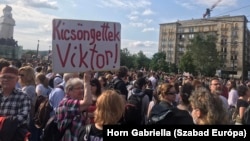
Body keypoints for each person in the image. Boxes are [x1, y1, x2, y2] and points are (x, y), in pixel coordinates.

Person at [56, 71, 92, 140]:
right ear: (69, 90)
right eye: (78, 88)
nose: (81, 90)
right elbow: (88, 102)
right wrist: (86, 82)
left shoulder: (74, 102)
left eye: (82, 88)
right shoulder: (66, 103)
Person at [0, 67, 31, 140]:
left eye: (10, 77)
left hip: (13, 136)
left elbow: (24, 117)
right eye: (3, 77)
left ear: (17, 80)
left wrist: (3, 122)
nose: (6, 80)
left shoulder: (23, 96)